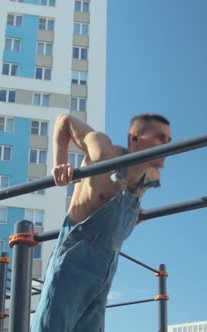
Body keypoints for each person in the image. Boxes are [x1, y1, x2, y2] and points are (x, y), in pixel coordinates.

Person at [31, 113, 172, 332]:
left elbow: (121, 199)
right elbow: (64, 121)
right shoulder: (103, 152)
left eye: (168, 141)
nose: (166, 146)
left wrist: (130, 212)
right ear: (134, 137)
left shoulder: (150, 177)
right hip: (74, 258)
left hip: (106, 270)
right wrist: (60, 164)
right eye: (159, 137)